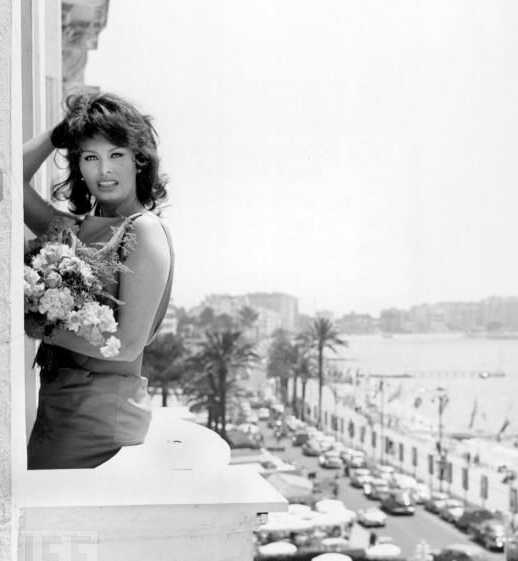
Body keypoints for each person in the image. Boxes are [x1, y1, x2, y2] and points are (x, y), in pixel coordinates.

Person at [23, 90, 174, 469]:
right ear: (79, 166)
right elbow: (6, 180)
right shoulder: (74, 230)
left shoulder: (144, 231)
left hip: (99, 421)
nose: (104, 171)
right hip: (59, 406)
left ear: (139, 160)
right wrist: (59, 134)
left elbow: (125, 344)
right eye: (91, 157)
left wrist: (35, 324)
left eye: (116, 155)